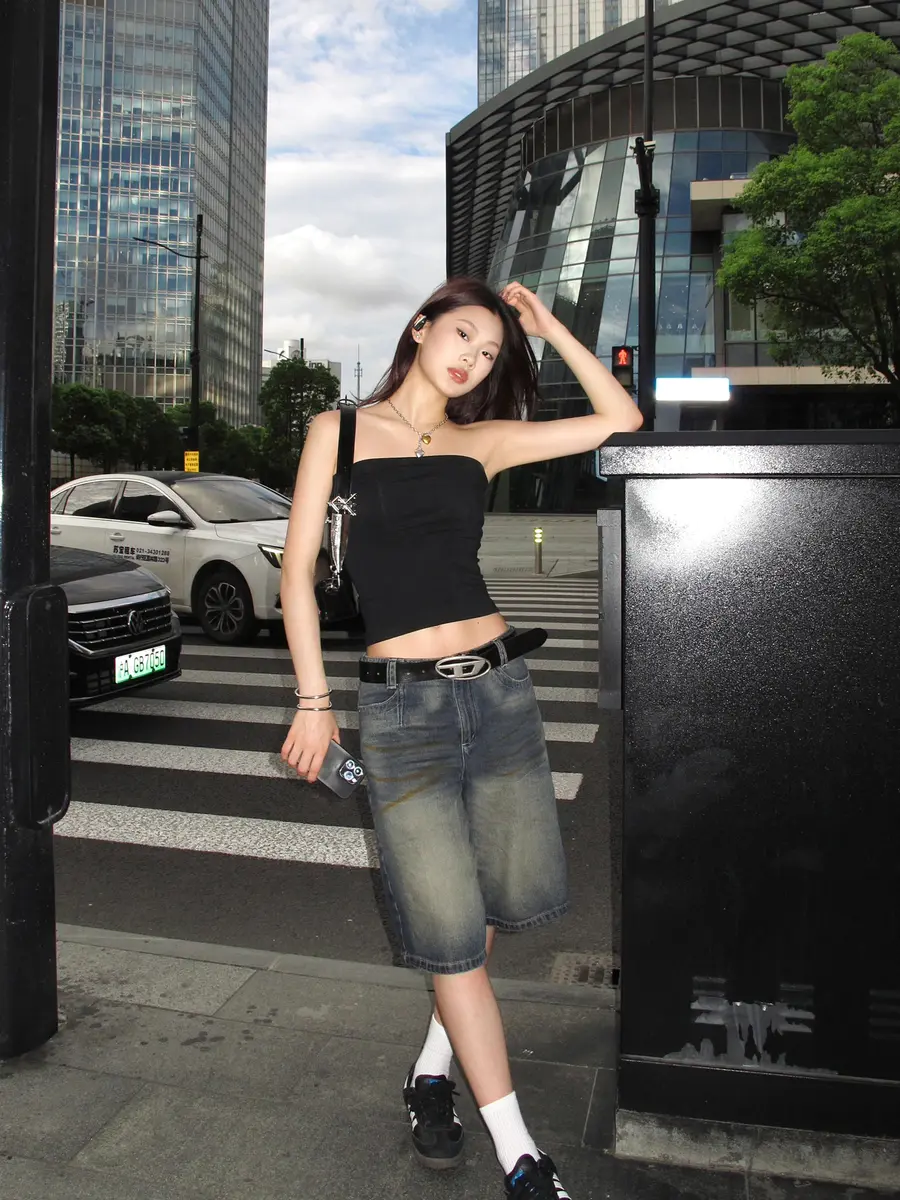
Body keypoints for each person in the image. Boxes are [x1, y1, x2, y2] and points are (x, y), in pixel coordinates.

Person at [279, 277, 642, 1199]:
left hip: (501, 697)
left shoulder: (483, 442)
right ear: (421, 327)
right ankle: (522, 1158)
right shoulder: (338, 432)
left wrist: (547, 327)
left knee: (481, 918)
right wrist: (314, 701)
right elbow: (296, 572)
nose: (473, 360)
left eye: (488, 354)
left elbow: (621, 418)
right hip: (403, 712)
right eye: (464, 336)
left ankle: (431, 1072)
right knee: (451, 930)